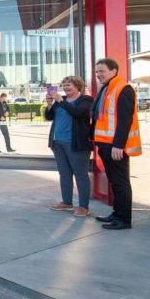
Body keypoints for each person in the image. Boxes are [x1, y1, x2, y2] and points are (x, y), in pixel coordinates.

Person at [91, 58, 141, 230]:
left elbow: (125, 120)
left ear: (114, 71)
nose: (99, 75)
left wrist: (118, 145)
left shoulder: (123, 89)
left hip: (115, 146)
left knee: (120, 183)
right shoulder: (107, 89)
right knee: (114, 181)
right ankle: (117, 213)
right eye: (97, 71)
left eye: (102, 71)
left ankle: (124, 219)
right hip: (105, 144)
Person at [44, 76, 94, 217]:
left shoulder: (86, 100)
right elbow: (49, 116)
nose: (65, 87)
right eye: (64, 85)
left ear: (78, 86)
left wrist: (59, 99)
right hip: (58, 142)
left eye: (69, 85)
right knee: (64, 174)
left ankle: (84, 206)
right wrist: (49, 105)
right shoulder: (62, 101)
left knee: (80, 175)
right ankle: (67, 202)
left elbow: (78, 113)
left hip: (76, 144)